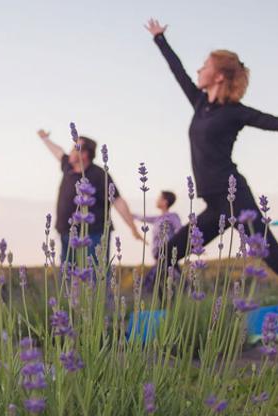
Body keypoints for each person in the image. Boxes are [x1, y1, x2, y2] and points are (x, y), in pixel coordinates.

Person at [145, 19, 278, 272]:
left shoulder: (234, 112)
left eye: (205, 65)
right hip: (216, 204)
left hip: (236, 198)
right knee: (166, 256)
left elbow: (271, 122)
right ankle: (175, 307)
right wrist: (160, 38)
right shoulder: (200, 103)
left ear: (218, 76)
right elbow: (179, 72)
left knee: (271, 255)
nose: (199, 70)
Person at [37, 131, 142, 265]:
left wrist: (133, 228)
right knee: (68, 276)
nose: (70, 151)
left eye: (74, 148)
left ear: (85, 154)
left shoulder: (99, 174)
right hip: (67, 231)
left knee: (95, 276)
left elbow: (117, 200)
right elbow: (58, 152)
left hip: (94, 234)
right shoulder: (68, 166)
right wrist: (45, 138)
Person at [135, 191, 182, 261]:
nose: (156, 200)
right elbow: (142, 218)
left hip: (167, 252)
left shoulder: (172, 216)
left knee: (169, 270)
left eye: (159, 198)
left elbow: (180, 229)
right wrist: (127, 213)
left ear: (165, 202)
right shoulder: (157, 218)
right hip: (157, 253)